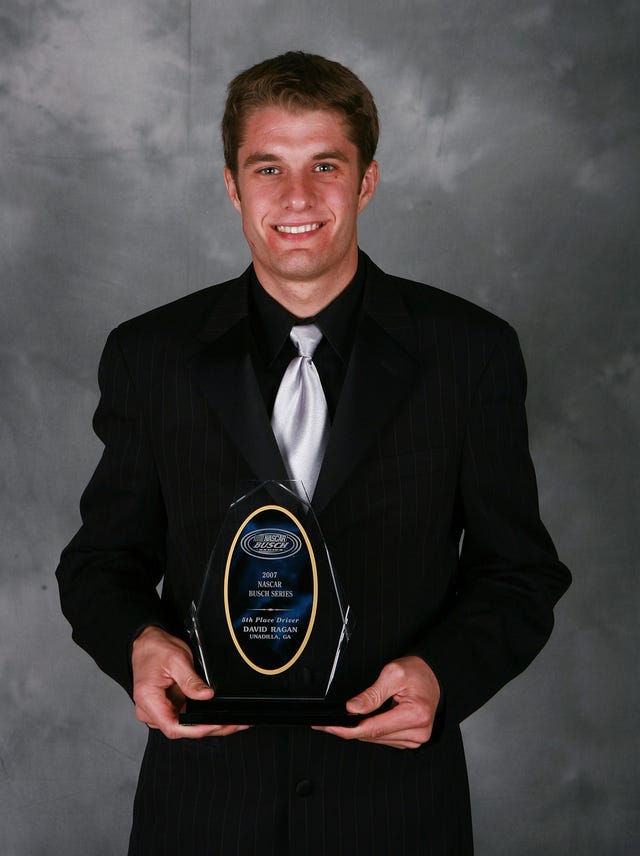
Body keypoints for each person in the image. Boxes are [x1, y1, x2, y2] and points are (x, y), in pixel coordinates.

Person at [56, 51, 571, 855]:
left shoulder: (470, 354)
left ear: (366, 182)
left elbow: (519, 572)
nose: (296, 197)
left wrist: (443, 674)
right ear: (233, 186)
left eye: (325, 165)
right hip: (203, 815)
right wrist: (138, 645)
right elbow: (100, 565)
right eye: (268, 168)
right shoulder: (149, 357)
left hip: (397, 815)